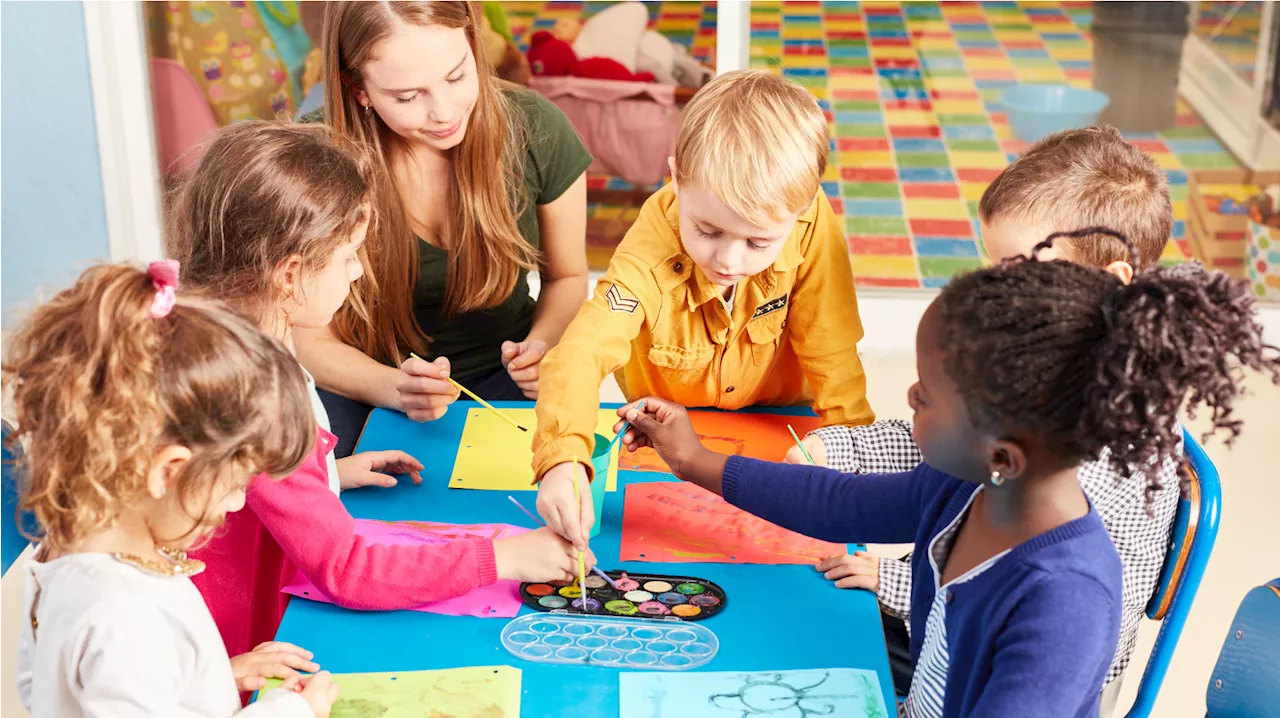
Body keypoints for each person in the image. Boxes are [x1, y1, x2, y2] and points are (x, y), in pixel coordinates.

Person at [616, 234, 1278, 717]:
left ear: (1004, 454)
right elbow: (840, 503)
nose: (908, 395)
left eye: (927, 395)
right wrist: (693, 459)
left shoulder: (1066, 603)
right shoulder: (971, 487)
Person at [168, 121, 593, 661]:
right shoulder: (255, 393)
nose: (358, 270)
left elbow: (245, 480)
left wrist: (325, 476)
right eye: (349, 255)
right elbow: (347, 569)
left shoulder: (216, 338)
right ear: (289, 275)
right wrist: (503, 558)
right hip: (219, 642)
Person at [790, 126, 1181, 710]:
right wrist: (839, 448)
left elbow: (1013, 583)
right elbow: (947, 450)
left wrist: (891, 578)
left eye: (1021, 269)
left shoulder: (1104, 438)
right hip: (961, 617)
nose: (999, 291)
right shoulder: (1031, 364)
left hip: (1028, 665)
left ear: (1109, 285)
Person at [533, 69, 875, 548]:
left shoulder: (813, 221)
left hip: (784, 427)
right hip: (664, 440)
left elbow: (832, 348)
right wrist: (562, 459)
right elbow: (581, 352)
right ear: (676, 177)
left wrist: (855, 452)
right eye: (708, 231)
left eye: (759, 241)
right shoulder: (650, 245)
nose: (729, 260)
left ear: (799, 212)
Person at [5, 262, 338, 717]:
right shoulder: (124, 616)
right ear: (168, 471)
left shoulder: (64, 554)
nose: (238, 502)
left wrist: (214, 675)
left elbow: (45, 686)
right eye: (236, 484)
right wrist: (290, 712)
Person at [296, 0, 593, 458]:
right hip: (360, 381)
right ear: (358, 90)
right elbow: (304, 331)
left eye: (457, 76)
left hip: (504, 373)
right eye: (408, 96)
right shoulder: (312, 155)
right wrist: (390, 387)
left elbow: (569, 277)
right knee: (321, 486)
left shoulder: (537, 126)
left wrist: (542, 346)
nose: (444, 112)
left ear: (473, 44)